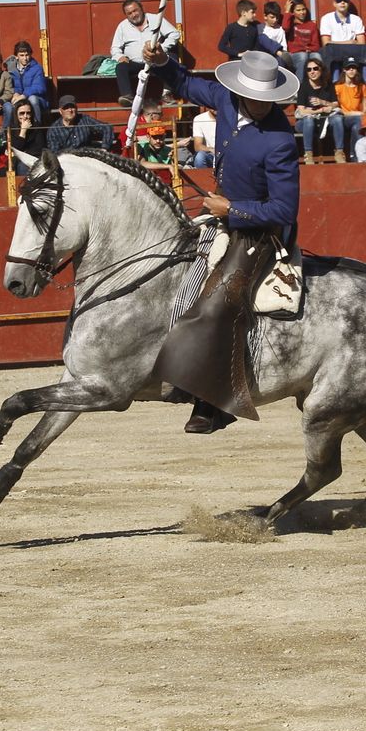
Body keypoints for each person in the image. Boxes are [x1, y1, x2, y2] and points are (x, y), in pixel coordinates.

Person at [141, 41, 299, 435]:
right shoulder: (227, 100)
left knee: (220, 302)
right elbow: (184, 83)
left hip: (260, 231)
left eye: (266, 99)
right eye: (253, 97)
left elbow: (284, 209)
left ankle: (215, 402)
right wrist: (161, 61)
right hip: (220, 216)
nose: (259, 104)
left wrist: (232, 211)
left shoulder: (279, 139)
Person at [110, 0, 179, 107]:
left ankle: (166, 94)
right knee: (120, 67)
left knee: (172, 58)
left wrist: (161, 48)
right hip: (136, 63)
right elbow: (115, 48)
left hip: (155, 60)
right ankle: (128, 97)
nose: (133, 15)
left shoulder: (156, 19)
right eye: (129, 13)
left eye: (135, 10)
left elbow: (175, 34)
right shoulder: (122, 26)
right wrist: (119, 57)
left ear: (142, 9)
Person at [318, 0, 366, 83]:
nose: (342, 3)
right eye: (339, 1)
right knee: (328, 52)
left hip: (352, 51)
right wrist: (349, 42)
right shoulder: (326, 18)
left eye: (345, 1)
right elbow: (326, 42)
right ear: (334, 3)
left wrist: (337, 43)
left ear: (348, 3)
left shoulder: (356, 19)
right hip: (335, 51)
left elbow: (361, 43)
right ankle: (334, 82)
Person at [294, 58, 340, 163]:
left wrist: (322, 102)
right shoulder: (303, 86)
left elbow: (335, 104)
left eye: (315, 68)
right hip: (304, 122)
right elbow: (302, 111)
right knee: (309, 120)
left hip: (324, 121)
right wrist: (321, 110)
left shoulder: (328, 85)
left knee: (338, 119)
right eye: (309, 69)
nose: (312, 72)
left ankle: (339, 152)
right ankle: (308, 154)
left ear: (321, 70)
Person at [45, 94, 111, 152]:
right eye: (66, 108)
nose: (70, 110)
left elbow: (107, 127)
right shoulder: (53, 130)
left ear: (76, 109)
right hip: (67, 161)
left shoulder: (85, 120)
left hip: (87, 158)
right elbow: (55, 153)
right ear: (60, 111)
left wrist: (104, 148)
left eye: (72, 107)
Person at [333, 58, 366, 162]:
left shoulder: (362, 86)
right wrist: (356, 113)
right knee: (357, 120)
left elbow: (365, 108)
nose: (351, 70)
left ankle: (355, 155)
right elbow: (337, 109)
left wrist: (360, 113)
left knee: (357, 126)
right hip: (343, 118)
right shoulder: (338, 87)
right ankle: (356, 154)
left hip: (357, 118)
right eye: (349, 68)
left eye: (354, 68)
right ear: (344, 70)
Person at [7, 40, 51, 123]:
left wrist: (24, 95)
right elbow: (13, 86)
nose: (25, 58)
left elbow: (40, 87)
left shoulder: (37, 68)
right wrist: (15, 93)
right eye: (22, 55)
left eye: (27, 55)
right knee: (9, 105)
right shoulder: (12, 70)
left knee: (32, 99)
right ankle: (12, 131)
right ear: (16, 56)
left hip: (37, 99)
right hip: (20, 98)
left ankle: (37, 125)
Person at [282, 0, 321, 76]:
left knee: (317, 56)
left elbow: (316, 45)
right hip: (295, 54)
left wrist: (308, 49)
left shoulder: (312, 25)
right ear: (292, 12)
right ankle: (301, 85)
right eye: (298, 10)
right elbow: (285, 27)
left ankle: (319, 85)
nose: (302, 12)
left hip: (310, 52)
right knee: (302, 56)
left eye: (303, 9)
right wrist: (287, 11)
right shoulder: (290, 24)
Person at [8, 100, 46, 174]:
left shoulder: (37, 127)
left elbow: (39, 147)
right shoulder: (11, 128)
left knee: (23, 167)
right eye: (22, 113)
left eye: (28, 113)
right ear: (16, 114)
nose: (25, 116)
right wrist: (23, 131)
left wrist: (25, 153)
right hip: (17, 160)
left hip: (33, 158)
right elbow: (15, 150)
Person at [189, 105, 216, 169]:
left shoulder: (230, 117)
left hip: (227, 155)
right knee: (199, 157)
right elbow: (197, 146)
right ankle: (204, 178)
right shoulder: (199, 119)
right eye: (213, 103)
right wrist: (212, 149)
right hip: (211, 154)